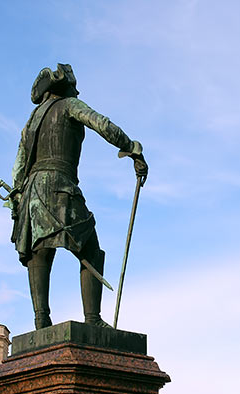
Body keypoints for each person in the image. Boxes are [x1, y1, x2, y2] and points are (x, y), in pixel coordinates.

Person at [9, 63, 147, 329]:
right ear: (65, 87)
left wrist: (18, 200)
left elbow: (18, 166)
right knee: (91, 252)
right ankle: (93, 319)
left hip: (31, 192)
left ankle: (41, 319)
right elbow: (102, 124)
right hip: (61, 187)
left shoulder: (31, 122)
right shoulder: (70, 104)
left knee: (40, 251)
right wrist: (131, 148)